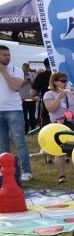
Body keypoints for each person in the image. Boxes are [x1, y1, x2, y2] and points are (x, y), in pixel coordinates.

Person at [43, 72, 74, 183]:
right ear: (55, 82)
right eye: (62, 80)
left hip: (71, 123)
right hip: (58, 124)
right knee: (59, 151)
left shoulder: (70, 93)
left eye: (66, 80)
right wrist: (59, 97)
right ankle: (61, 176)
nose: (65, 82)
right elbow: (51, 109)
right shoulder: (49, 94)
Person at [0, 45, 32, 181]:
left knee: (20, 143)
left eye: (8, 54)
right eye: (4, 55)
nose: (7, 57)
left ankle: (26, 171)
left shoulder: (16, 69)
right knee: (3, 144)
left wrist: (3, 71)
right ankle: (4, 171)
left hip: (13, 110)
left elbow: (15, 87)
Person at [31, 57, 52, 129]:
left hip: (47, 109)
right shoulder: (61, 75)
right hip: (63, 110)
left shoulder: (41, 76)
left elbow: (32, 93)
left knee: (48, 131)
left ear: (45, 65)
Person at [20, 63, 37, 134]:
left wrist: (30, 82)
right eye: (24, 69)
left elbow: (35, 86)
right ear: (22, 68)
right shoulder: (19, 75)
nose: (26, 70)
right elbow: (17, 86)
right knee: (24, 116)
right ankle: (25, 131)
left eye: (27, 68)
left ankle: (33, 129)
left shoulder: (32, 75)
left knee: (32, 115)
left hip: (31, 99)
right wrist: (24, 82)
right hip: (23, 100)